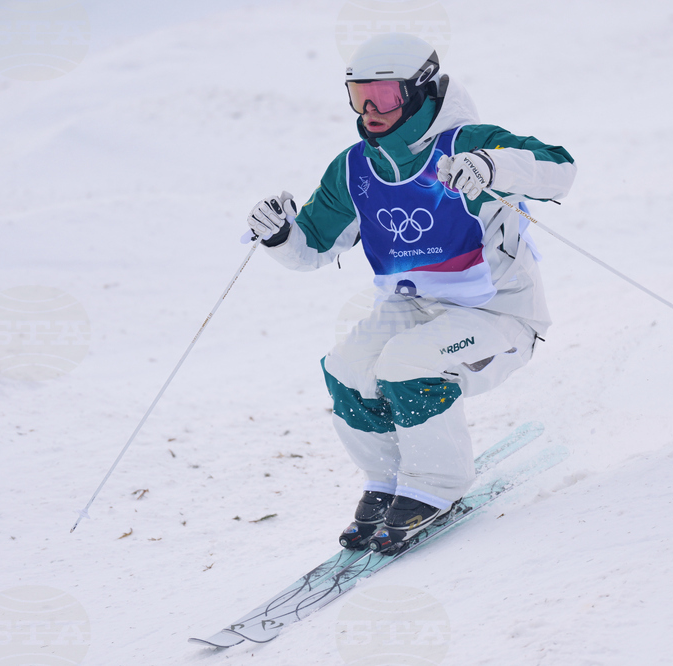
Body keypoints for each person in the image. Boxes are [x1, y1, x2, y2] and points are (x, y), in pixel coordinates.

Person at [246, 33, 576, 554]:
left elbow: (561, 169)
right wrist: (281, 235)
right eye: (359, 96)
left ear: (420, 92)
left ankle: (436, 485)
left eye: (385, 95)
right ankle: (386, 479)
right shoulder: (355, 168)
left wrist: (494, 167)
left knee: (405, 363)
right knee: (346, 366)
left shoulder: (468, 142)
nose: (371, 110)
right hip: (415, 307)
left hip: (499, 314)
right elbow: (310, 248)